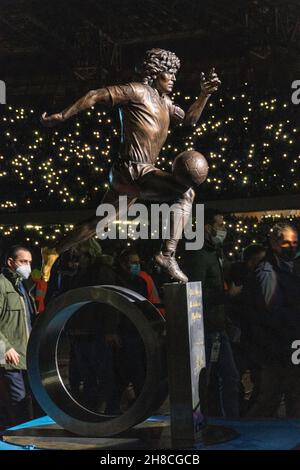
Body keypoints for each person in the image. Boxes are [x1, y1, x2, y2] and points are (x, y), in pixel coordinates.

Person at [40, 48, 221, 284]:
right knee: (186, 193)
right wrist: (63, 116)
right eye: (169, 74)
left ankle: (53, 250)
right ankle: (167, 254)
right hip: (134, 170)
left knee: (98, 223)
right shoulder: (136, 91)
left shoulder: (165, 102)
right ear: (154, 73)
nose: (174, 79)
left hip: (129, 176)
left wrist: (204, 95)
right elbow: (95, 94)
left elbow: (189, 121)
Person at [185, 209, 241, 418]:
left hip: (217, 326)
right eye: (219, 225)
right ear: (207, 228)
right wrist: (227, 295)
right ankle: (201, 423)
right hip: (206, 329)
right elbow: (195, 293)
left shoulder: (213, 253)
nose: (223, 229)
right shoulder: (199, 255)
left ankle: (229, 421)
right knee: (205, 381)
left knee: (230, 377)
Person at [245, 223, 300, 418]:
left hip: (290, 343)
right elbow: (270, 312)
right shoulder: (268, 270)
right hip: (276, 346)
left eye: (294, 242)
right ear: (274, 243)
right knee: (271, 397)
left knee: (292, 395)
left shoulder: (289, 268)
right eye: (286, 243)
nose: (291, 246)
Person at [0, 245, 36, 427]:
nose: (27, 266)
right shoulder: (2, 284)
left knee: (30, 399)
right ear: (10, 262)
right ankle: (19, 437)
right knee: (17, 401)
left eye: (29, 262)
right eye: (23, 261)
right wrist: (5, 347)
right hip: (9, 356)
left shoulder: (23, 286)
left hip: (27, 354)